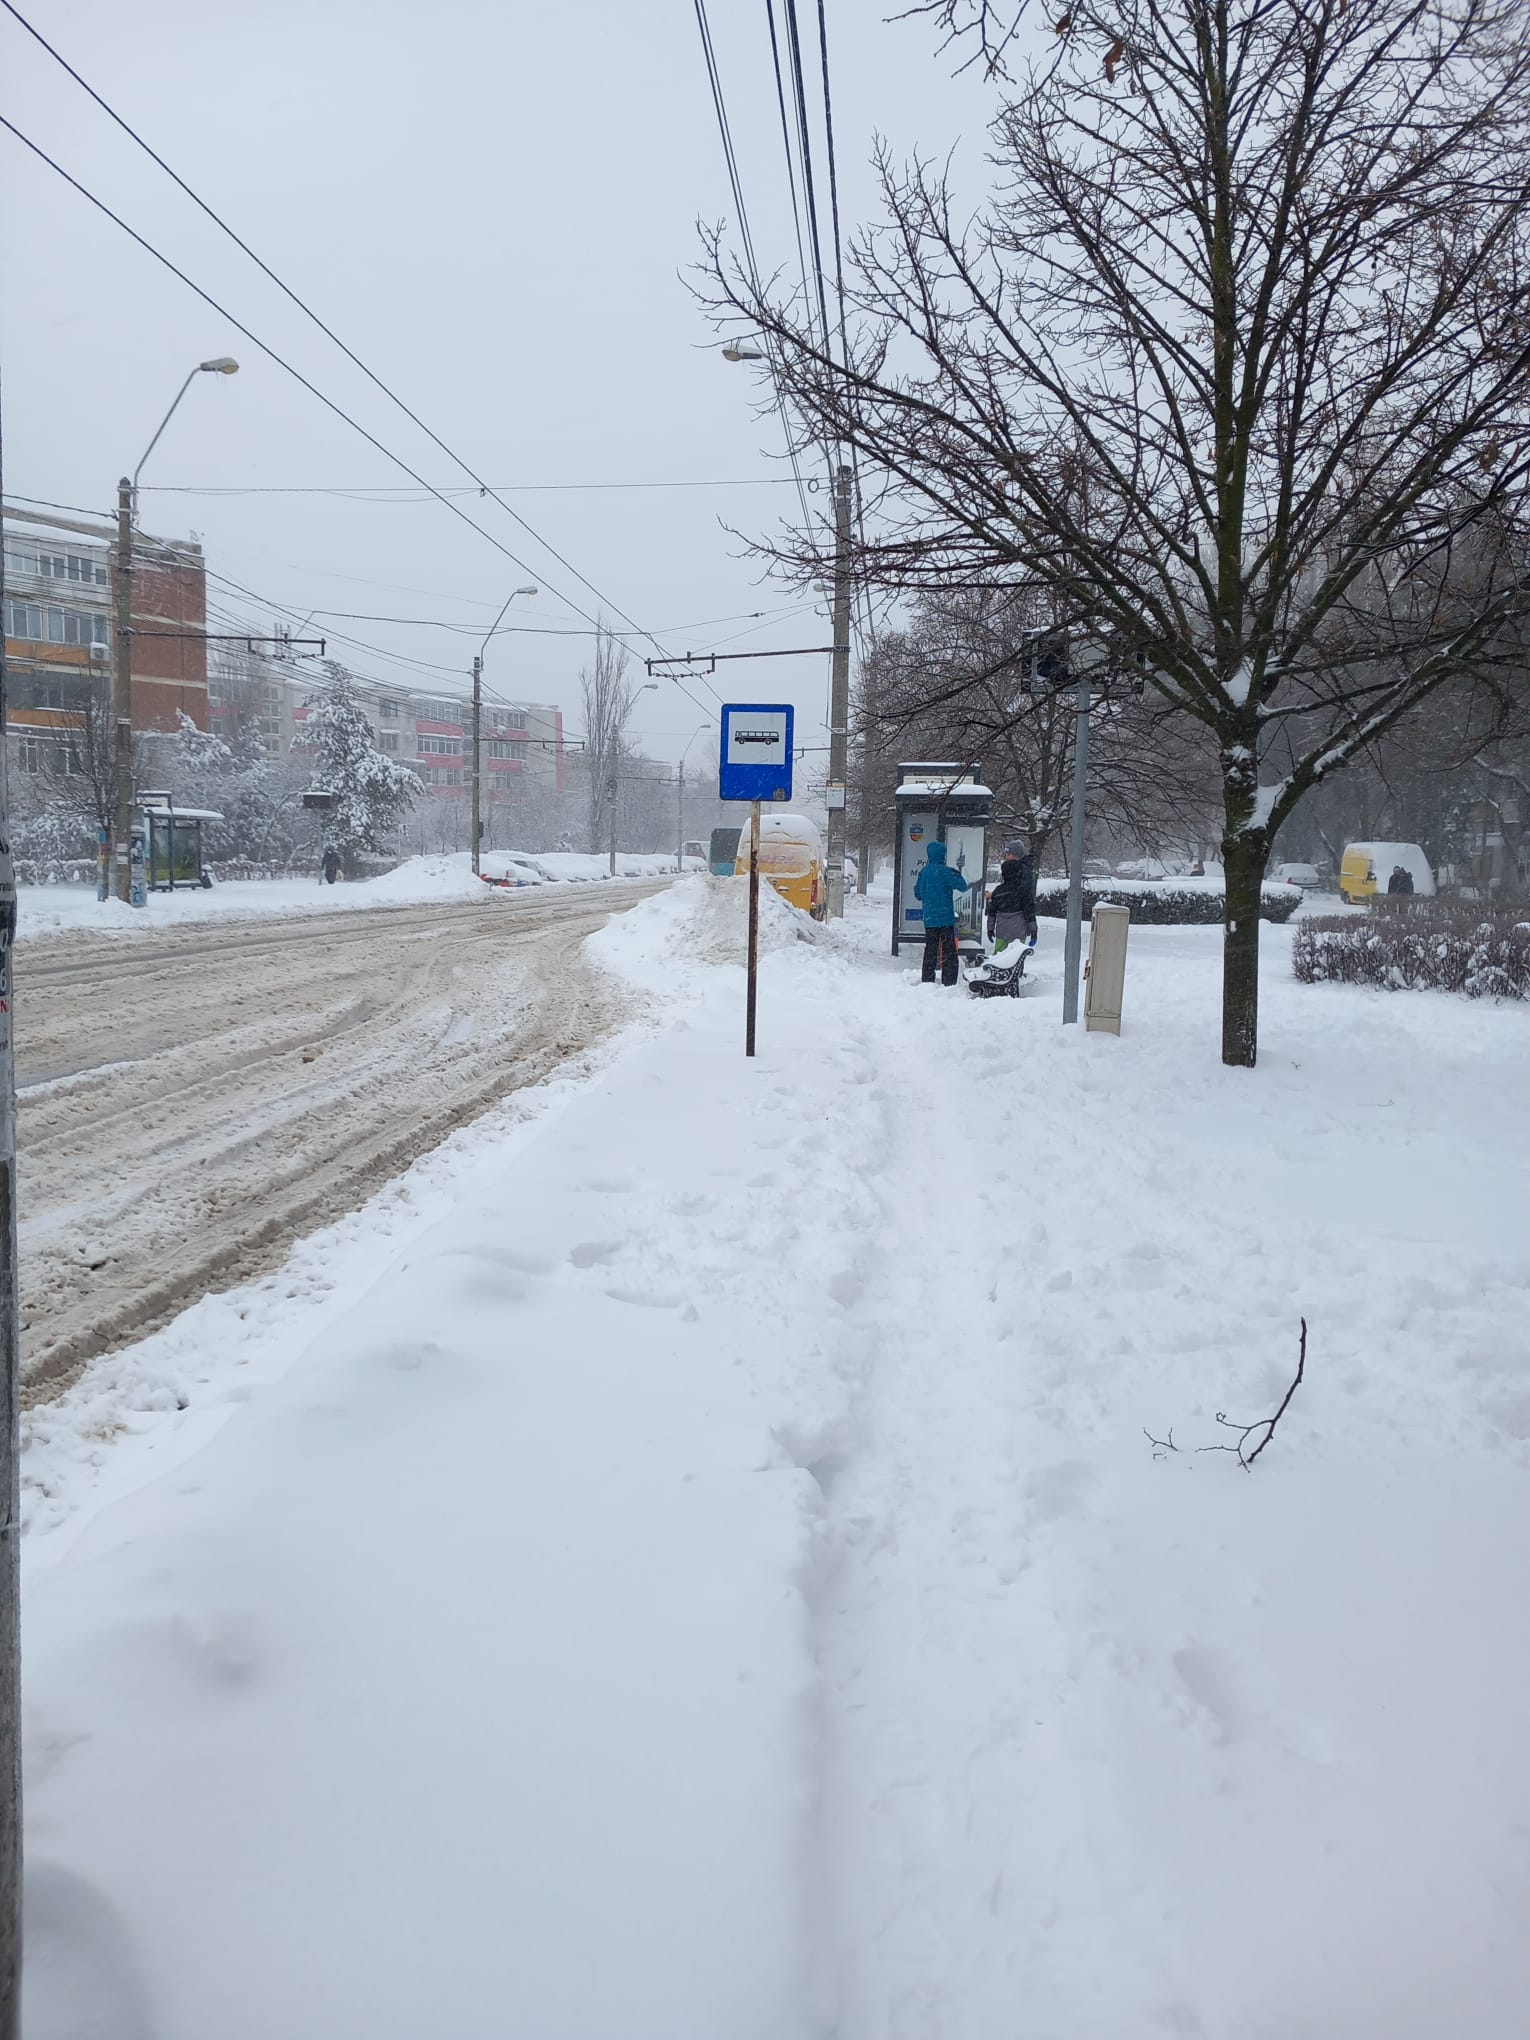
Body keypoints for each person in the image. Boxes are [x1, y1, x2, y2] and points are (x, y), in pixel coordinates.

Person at [914, 839, 970, 985]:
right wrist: (956, 873)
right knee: (949, 951)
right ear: (943, 855)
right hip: (946, 919)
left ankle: (927, 980)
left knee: (930, 950)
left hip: (930, 919)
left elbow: (918, 894)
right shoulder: (946, 872)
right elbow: (963, 886)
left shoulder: (924, 872)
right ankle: (949, 981)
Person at [986, 848, 1039, 951]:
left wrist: (990, 929)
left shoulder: (998, 891)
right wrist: (1033, 931)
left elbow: (992, 913)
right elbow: (1030, 912)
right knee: (1017, 955)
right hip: (1019, 930)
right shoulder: (1023, 891)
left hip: (1002, 930)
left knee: (999, 956)